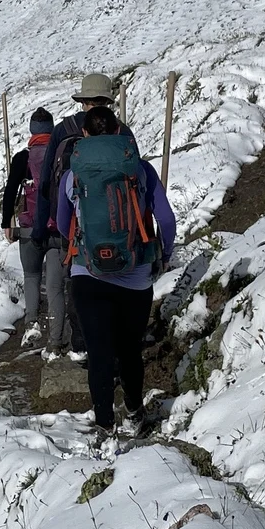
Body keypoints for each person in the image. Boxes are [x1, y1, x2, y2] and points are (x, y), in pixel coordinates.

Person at [55, 105, 175, 439]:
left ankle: (105, 425)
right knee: (129, 350)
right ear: (119, 131)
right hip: (135, 276)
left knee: (99, 352)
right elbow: (166, 220)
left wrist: (85, 245)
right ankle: (134, 414)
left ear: (84, 134)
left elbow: (63, 224)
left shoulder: (72, 174)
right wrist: (163, 255)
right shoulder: (140, 169)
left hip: (87, 274)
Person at [31, 73, 140, 362]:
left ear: (83, 101)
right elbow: (137, 180)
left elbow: (45, 183)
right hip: (120, 226)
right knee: (115, 281)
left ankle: (81, 344)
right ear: (108, 102)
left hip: (73, 227)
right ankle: (114, 345)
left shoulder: (63, 130)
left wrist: (42, 228)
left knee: (78, 284)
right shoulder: (123, 132)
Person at [1, 107, 68, 352]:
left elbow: (10, 191)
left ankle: (32, 323)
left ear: (32, 130)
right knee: (56, 287)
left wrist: (7, 223)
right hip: (58, 227)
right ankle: (56, 342)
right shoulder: (62, 155)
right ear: (52, 129)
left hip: (29, 228)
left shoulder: (23, 158)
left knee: (31, 276)